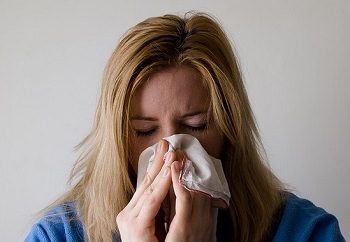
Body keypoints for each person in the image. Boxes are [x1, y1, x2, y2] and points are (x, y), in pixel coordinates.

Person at [25, 12, 345, 242]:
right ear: (117, 138)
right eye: (144, 130)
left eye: (196, 125)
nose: (171, 153)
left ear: (229, 129)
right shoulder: (58, 235)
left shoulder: (306, 232)